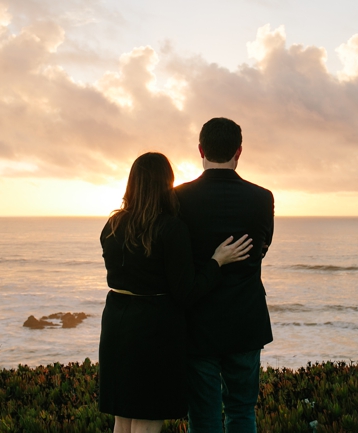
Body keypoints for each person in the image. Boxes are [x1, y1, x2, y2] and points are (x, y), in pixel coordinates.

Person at [98, 152, 253, 433]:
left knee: (122, 418)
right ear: (166, 184)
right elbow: (187, 292)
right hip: (153, 331)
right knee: (147, 417)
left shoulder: (113, 225)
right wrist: (217, 262)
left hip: (116, 326)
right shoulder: (171, 229)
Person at [175, 118, 274, 433]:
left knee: (203, 417)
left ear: (201, 150)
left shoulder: (178, 198)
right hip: (245, 319)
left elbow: (175, 258)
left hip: (198, 321)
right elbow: (262, 248)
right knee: (242, 411)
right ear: (239, 151)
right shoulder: (262, 197)